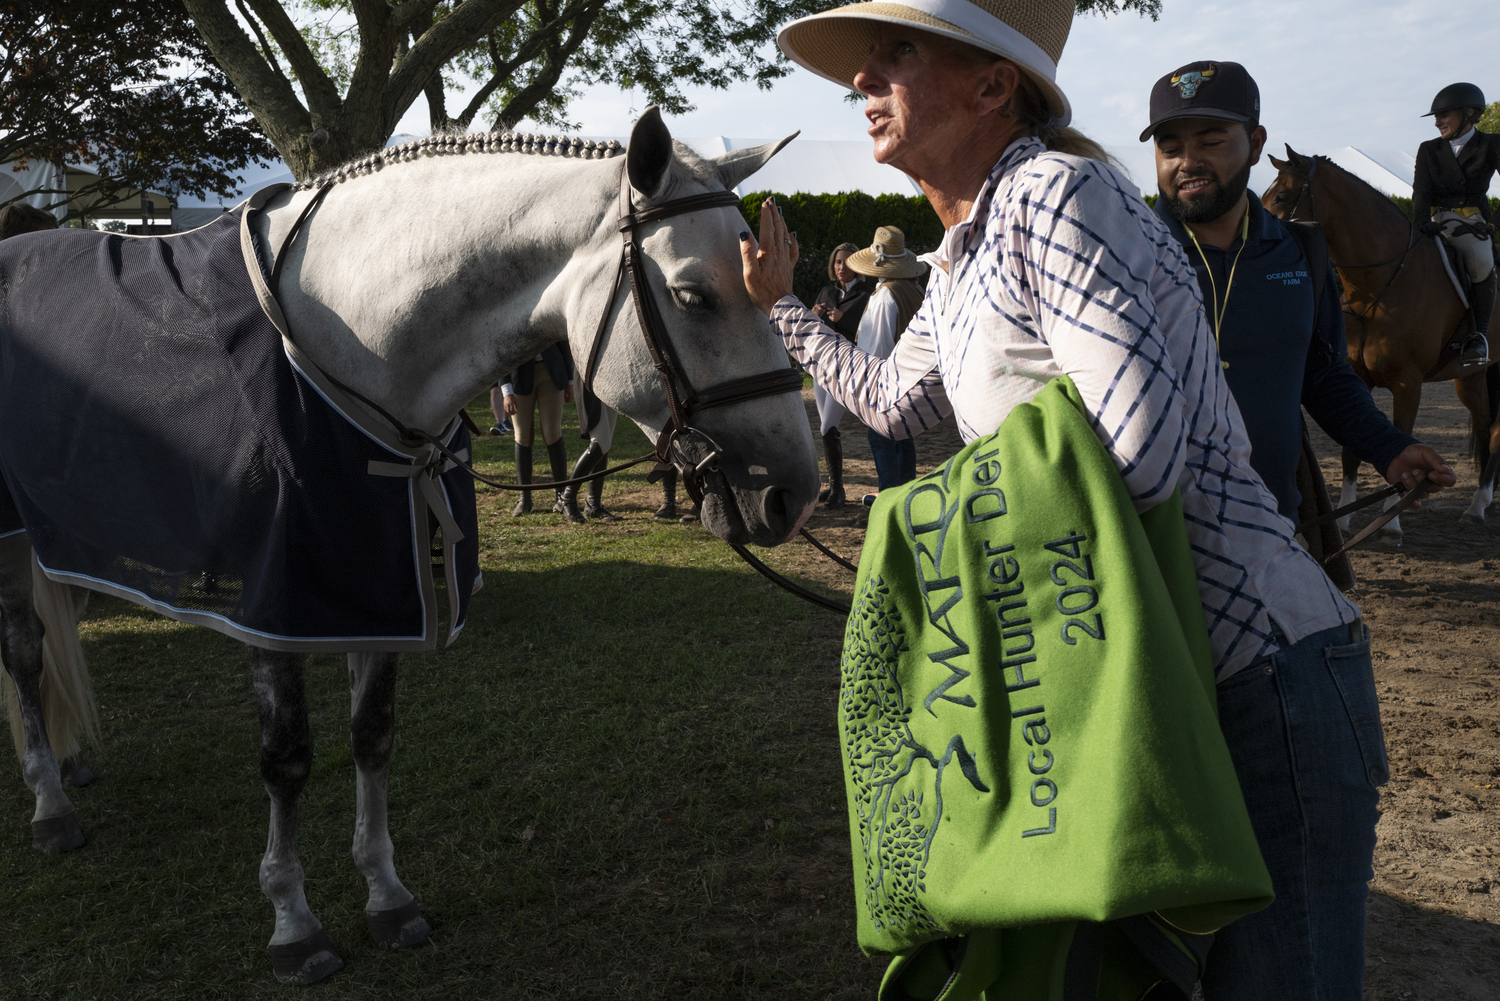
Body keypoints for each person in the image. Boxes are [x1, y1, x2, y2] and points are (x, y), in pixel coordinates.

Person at [747, 1, 1458, 996]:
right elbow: (892, 404)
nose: (861, 80)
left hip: (1256, 677)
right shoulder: (955, 255)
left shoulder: (1057, 191)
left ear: (995, 84)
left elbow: (1141, 454)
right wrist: (778, 304)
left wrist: (937, 533)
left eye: (895, 54)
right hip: (1140, 684)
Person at [1144, 60, 1449, 528]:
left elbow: (1324, 376)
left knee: (1475, 263)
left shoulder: (1303, 251)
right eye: (1170, 148)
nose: (1188, 162)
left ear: (1256, 144)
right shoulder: (1124, 255)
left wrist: (1390, 448)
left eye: (1211, 141)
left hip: (1271, 523)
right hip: (1149, 535)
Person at [1413, 82, 1500, 368]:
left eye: (1444, 115)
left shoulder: (1491, 144)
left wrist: (1494, 224)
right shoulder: (1428, 150)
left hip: (1474, 220)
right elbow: (1421, 192)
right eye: (1436, 117)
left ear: (1468, 113)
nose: (1437, 122)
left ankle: (1478, 337)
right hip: (1436, 221)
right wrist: (1422, 222)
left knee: (1479, 258)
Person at [846, 225, 925, 498]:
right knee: (903, 441)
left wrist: (865, 387)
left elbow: (876, 349)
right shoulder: (913, 290)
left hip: (887, 382)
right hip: (911, 379)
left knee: (881, 440)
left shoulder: (885, 297)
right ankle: (905, 497)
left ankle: (890, 499)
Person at [808, 243, 870, 507]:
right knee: (827, 428)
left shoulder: (869, 293)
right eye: (837, 262)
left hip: (846, 365)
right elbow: (817, 327)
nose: (840, 267)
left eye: (845, 262)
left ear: (856, 264)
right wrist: (812, 315)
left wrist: (843, 318)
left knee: (827, 426)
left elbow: (868, 329)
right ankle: (835, 488)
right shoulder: (827, 291)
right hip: (821, 363)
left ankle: (838, 490)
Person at [500, 343, 572, 517]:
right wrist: (506, 390)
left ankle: (562, 497)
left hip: (551, 372)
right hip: (519, 375)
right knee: (522, 435)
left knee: (552, 432)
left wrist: (570, 380)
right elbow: (502, 348)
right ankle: (524, 498)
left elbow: (564, 340)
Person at [556, 387, 620, 524]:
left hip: (610, 380)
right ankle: (567, 497)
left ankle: (593, 504)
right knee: (600, 443)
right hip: (590, 379)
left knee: (605, 444)